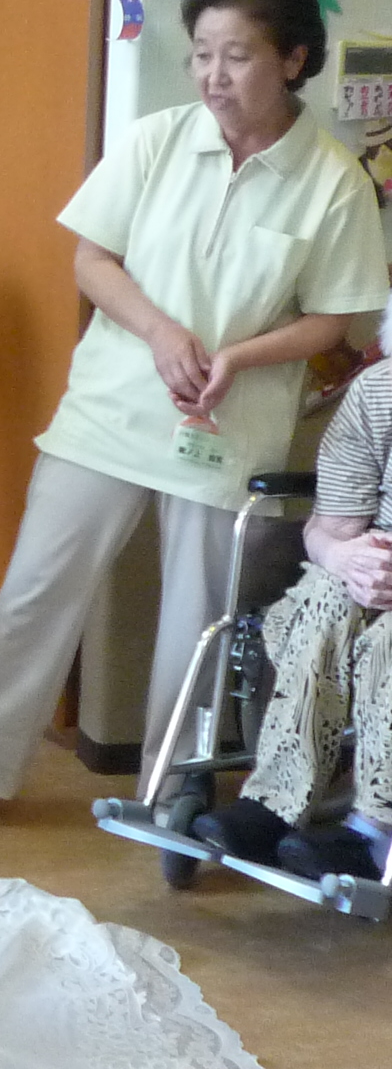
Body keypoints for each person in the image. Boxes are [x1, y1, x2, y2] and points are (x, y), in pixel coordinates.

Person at [0, 0, 389, 832]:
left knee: (196, 619)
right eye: (202, 54)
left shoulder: (332, 180)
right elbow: (93, 259)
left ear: (294, 58)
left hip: (229, 424)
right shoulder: (157, 140)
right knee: (36, 590)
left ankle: (167, 790)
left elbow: (336, 321)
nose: (213, 76)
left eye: (237, 56)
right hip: (112, 407)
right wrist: (162, 333)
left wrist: (240, 356)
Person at [192, 308, 392, 881]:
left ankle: (376, 833)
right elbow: (329, 528)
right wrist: (345, 558)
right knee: (325, 599)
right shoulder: (378, 394)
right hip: (372, 569)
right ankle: (274, 808)